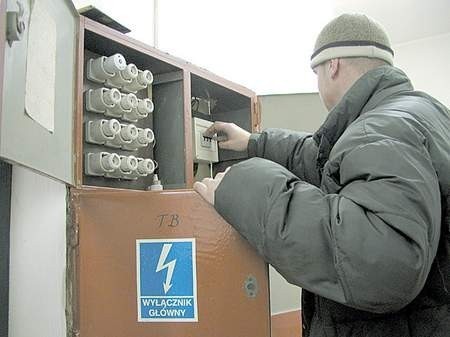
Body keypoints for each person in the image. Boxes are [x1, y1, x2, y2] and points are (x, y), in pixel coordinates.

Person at [194, 13, 450, 337]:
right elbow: (325, 160)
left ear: (333, 65)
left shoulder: (380, 130)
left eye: (316, 73)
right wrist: (253, 142)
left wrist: (245, 189)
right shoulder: (416, 115)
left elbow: (383, 263)